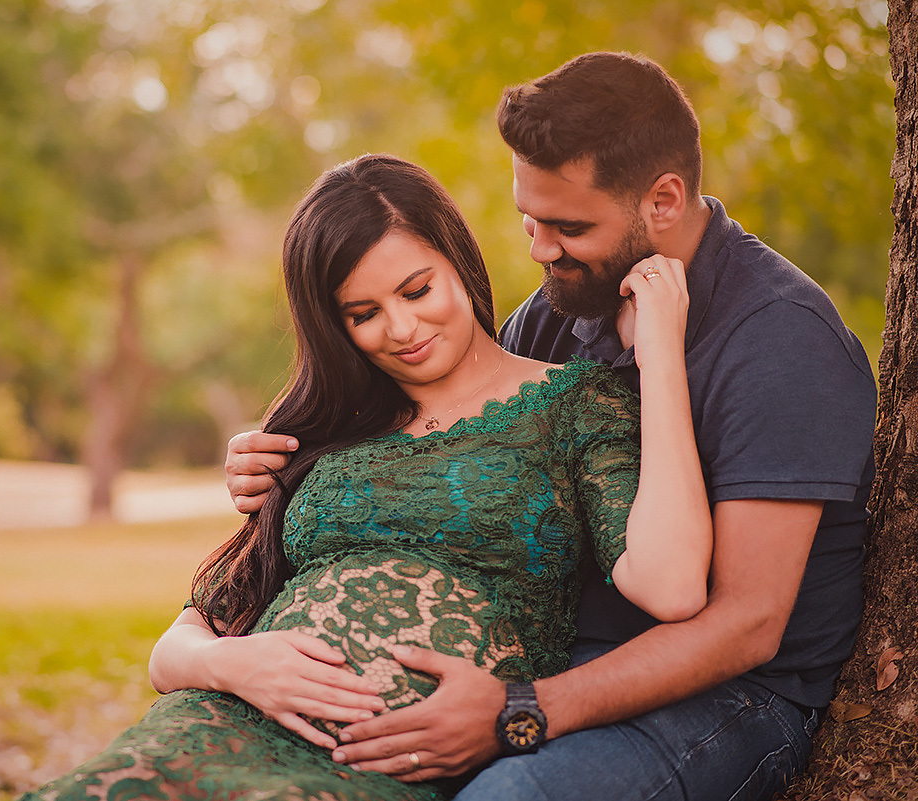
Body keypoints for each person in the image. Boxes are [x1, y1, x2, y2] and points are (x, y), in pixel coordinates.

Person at [225, 53, 877, 800]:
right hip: (550, 662)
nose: (539, 252)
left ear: (663, 200)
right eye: (529, 221)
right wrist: (283, 457)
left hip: (728, 698)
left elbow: (746, 625)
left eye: (569, 226)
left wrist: (519, 712)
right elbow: (454, 447)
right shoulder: (561, 304)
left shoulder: (780, 339)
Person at [17, 153, 712, 801]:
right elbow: (178, 643)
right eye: (364, 313)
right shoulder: (326, 434)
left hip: (378, 762)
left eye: (417, 289)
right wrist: (236, 665)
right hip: (216, 722)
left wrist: (659, 357)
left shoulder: (574, 405)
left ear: (458, 259)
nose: (403, 327)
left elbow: (674, 584)